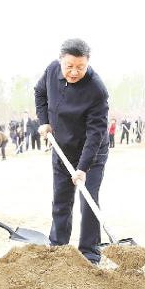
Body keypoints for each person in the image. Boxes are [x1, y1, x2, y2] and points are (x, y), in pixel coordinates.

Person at [35, 38, 109, 264]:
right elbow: (39, 93)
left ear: (88, 63)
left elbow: (95, 133)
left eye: (80, 67)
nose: (74, 72)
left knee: (88, 200)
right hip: (62, 147)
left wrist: (83, 167)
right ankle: (58, 248)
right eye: (69, 66)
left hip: (91, 153)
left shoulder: (97, 89)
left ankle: (90, 253)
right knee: (61, 199)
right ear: (60, 60)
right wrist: (44, 121)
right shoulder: (51, 71)